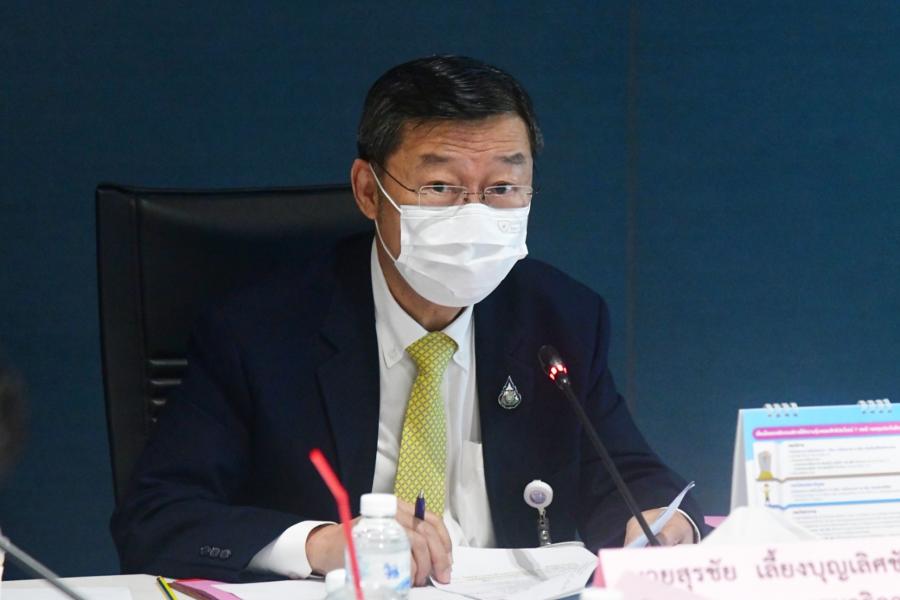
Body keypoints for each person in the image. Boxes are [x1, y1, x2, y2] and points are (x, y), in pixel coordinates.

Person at [111, 55, 704, 584]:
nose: (474, 214)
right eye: (440, 186)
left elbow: (629, 478)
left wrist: (659, 523)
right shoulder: (261, 332)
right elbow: (156, 517)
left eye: (502, 187)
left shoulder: (560, 318)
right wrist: (321, 545)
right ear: (369, 191)